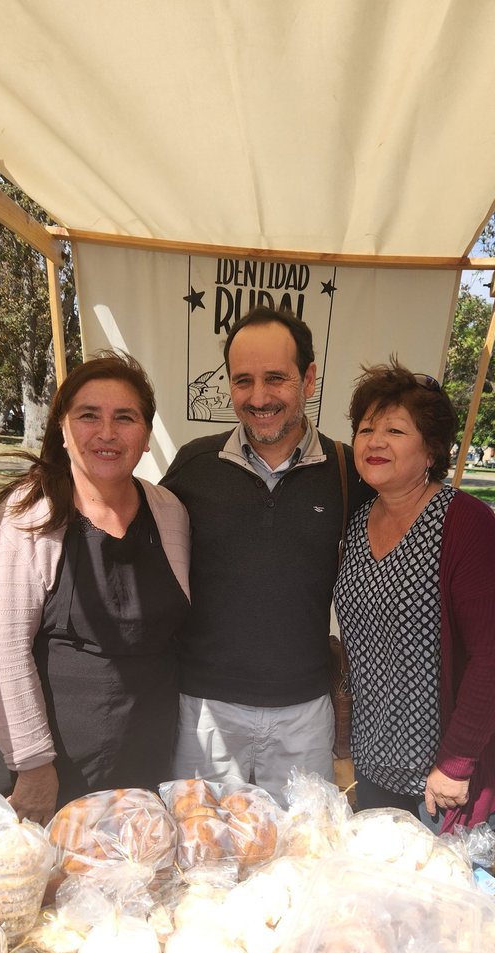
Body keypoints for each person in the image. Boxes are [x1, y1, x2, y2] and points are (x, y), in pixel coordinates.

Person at [0, 351, 190, 826]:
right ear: (62, 427)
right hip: (28, 772)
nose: (107, 433)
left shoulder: (170, 512)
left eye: (125, 418)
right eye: (88, 416)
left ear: (146, 435)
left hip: (131, 769)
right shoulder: (25, 515)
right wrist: (34, 767)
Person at [160, 306, 369, 802]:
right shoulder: (195, 464)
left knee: (300, 857)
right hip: (205, 711)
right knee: (201, 857)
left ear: (309, 379)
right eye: (243, 381)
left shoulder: (348, 471)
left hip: (304, 712)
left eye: (276, 378)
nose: (259, 398)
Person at [333, 358, 495, 832]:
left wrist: (456, 762)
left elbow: (494, 657)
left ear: (431, 450)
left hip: (441, 782)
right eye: (366, 429)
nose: (375, 441)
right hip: (373, 764)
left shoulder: (465, 523)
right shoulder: (359, 519)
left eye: (395, 429)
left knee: (438, 899)